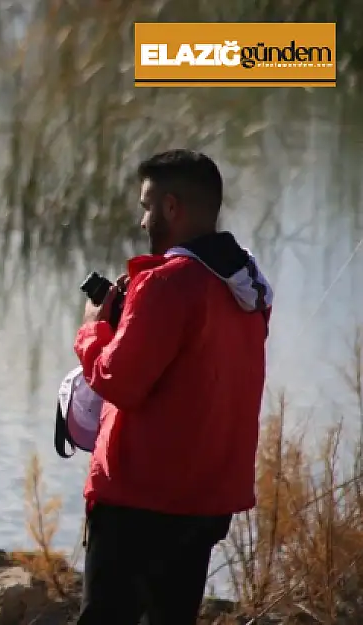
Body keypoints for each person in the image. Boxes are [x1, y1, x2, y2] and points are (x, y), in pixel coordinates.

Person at [73, 149, 274, 625]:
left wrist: (92, 331)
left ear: (170, 207)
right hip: (204, 499)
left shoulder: (168, 283)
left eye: (146, 206)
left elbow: (117, 381)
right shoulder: (246, 285)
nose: (143, 221)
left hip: (140, 499)